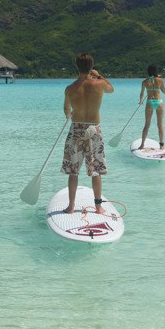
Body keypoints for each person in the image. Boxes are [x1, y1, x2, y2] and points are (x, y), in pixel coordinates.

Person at [61, 53, 114, 214]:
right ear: (91, 67)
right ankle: (98, 207)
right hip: (94, 129)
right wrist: (99, 75)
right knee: (96, 170)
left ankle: (71, 207)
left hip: (76, 129)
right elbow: (111, 89)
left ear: (77, 67)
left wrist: (70, 114)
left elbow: (66, 110)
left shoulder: (70, 88)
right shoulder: (99, 84)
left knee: (73, 171)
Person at [137, 64, 165, 150]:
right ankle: (161, 145)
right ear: (156, 71)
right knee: (160, 125)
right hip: (159, 102)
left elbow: (141, 93)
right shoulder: (160, 80)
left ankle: (142, 144)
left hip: (149, 102)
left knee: (147, 124)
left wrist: (140, 101)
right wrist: (160, 87)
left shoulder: (144, 82)